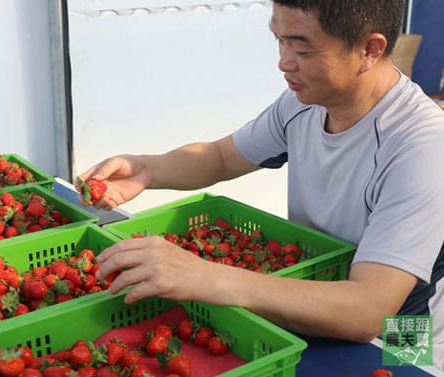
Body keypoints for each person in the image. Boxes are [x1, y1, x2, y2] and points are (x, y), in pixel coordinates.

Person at [76, 0, 444, 369]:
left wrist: (205, 276)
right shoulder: (305, 104)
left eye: (301, 48)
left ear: (370, 49)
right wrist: (145, 169)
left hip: (404, 331)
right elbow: (220, 156)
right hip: (316, 297)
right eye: (279, 41)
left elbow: (368, 310)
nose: (284, 61)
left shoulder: (422, 145)